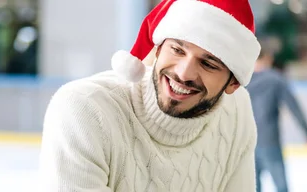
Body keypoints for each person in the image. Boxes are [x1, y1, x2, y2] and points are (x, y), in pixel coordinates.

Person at [39, 0, 262, 191]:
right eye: (177, 50)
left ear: (233, 83)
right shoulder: (83, 110)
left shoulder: (235, 111)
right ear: (158, 48)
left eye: (208, 63)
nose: (184, 74)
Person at [246, 40, 307, 192]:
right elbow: (294, 107)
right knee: (281, 186)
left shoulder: (243, 80)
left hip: (247, 140)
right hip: (269, 140)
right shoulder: (276, 79)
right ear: (268, 58)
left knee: (253, 186)